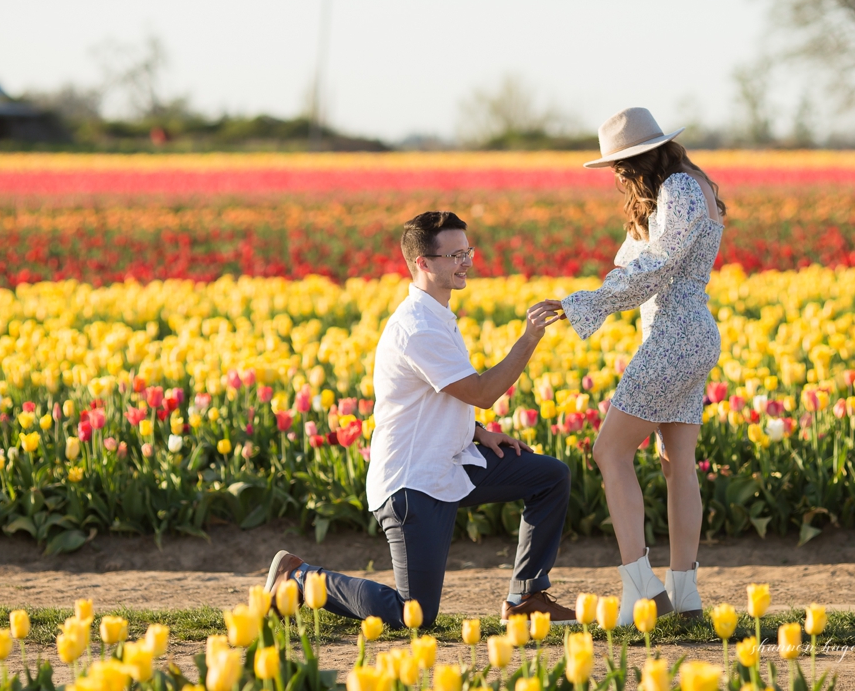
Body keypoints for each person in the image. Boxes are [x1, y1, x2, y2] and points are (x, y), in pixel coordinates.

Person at [263, 211, 575, 627]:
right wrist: (528, 338)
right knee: (414, 616)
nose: (466, 262)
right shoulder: (418, 327)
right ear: (422, 263)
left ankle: (526, 597)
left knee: (549, 476)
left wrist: (480, 433)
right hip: (413, 483)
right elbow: (481, 393)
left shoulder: (438, 316)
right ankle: (299, 578)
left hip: (453, 462)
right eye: (454, 255)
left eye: (467, 251)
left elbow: (434, 400)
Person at [543, 108, 725, 626]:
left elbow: (656, 266)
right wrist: (610, 281)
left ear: (644, 155)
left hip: (675, 335)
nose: (618, 175)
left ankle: (641, 588)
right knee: (677, 462)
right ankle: (684, 594)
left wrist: (583, 302)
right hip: (688, 332)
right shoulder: (688, 188)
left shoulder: (679, 192)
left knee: (610, 451)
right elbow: (638, 259)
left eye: (621, 164)